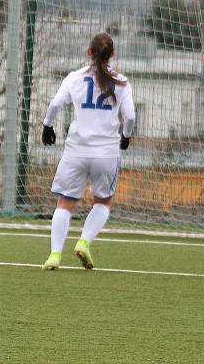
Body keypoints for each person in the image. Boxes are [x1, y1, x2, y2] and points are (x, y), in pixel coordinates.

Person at [41, 32, 135, 270]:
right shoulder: (121, 81)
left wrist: (47, 126)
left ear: (88, 52)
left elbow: (54, 105)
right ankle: (83, 242)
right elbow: (131, 116)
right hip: (105, 152)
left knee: (65, 203)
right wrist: (126, 136)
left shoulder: (74, 77)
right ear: (112, 54)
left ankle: (54, 255)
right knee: (103, 202)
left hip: (76, 151)